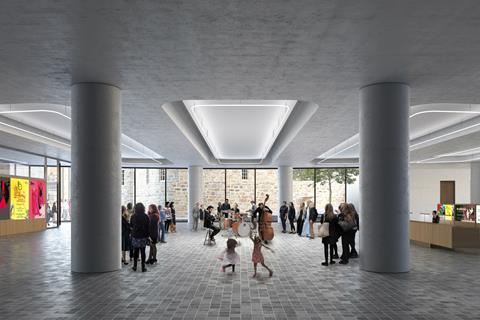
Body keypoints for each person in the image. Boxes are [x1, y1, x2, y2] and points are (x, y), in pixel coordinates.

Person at [130, 203, 150, 272]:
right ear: (143, 208)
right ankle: (143, 267)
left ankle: (135, 266)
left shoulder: (133, 216)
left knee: (135, 251)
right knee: (143, 251)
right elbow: (148, 227)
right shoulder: (146, 216)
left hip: (135, 236)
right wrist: (148, 236)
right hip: (143, 236)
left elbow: (131, 225)